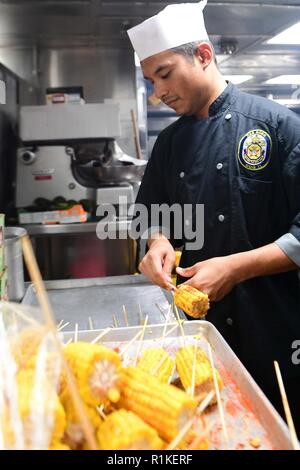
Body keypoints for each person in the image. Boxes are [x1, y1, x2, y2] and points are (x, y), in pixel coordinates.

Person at [127, 0, 300, 433]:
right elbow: (151, 211)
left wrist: (236, 268)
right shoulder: (168, 143)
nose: (157, 92)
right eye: (150, 81)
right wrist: (158, 242)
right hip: (200, 331)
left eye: (164, 74)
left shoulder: (278, 127)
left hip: (276, 327)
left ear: (203, 55)